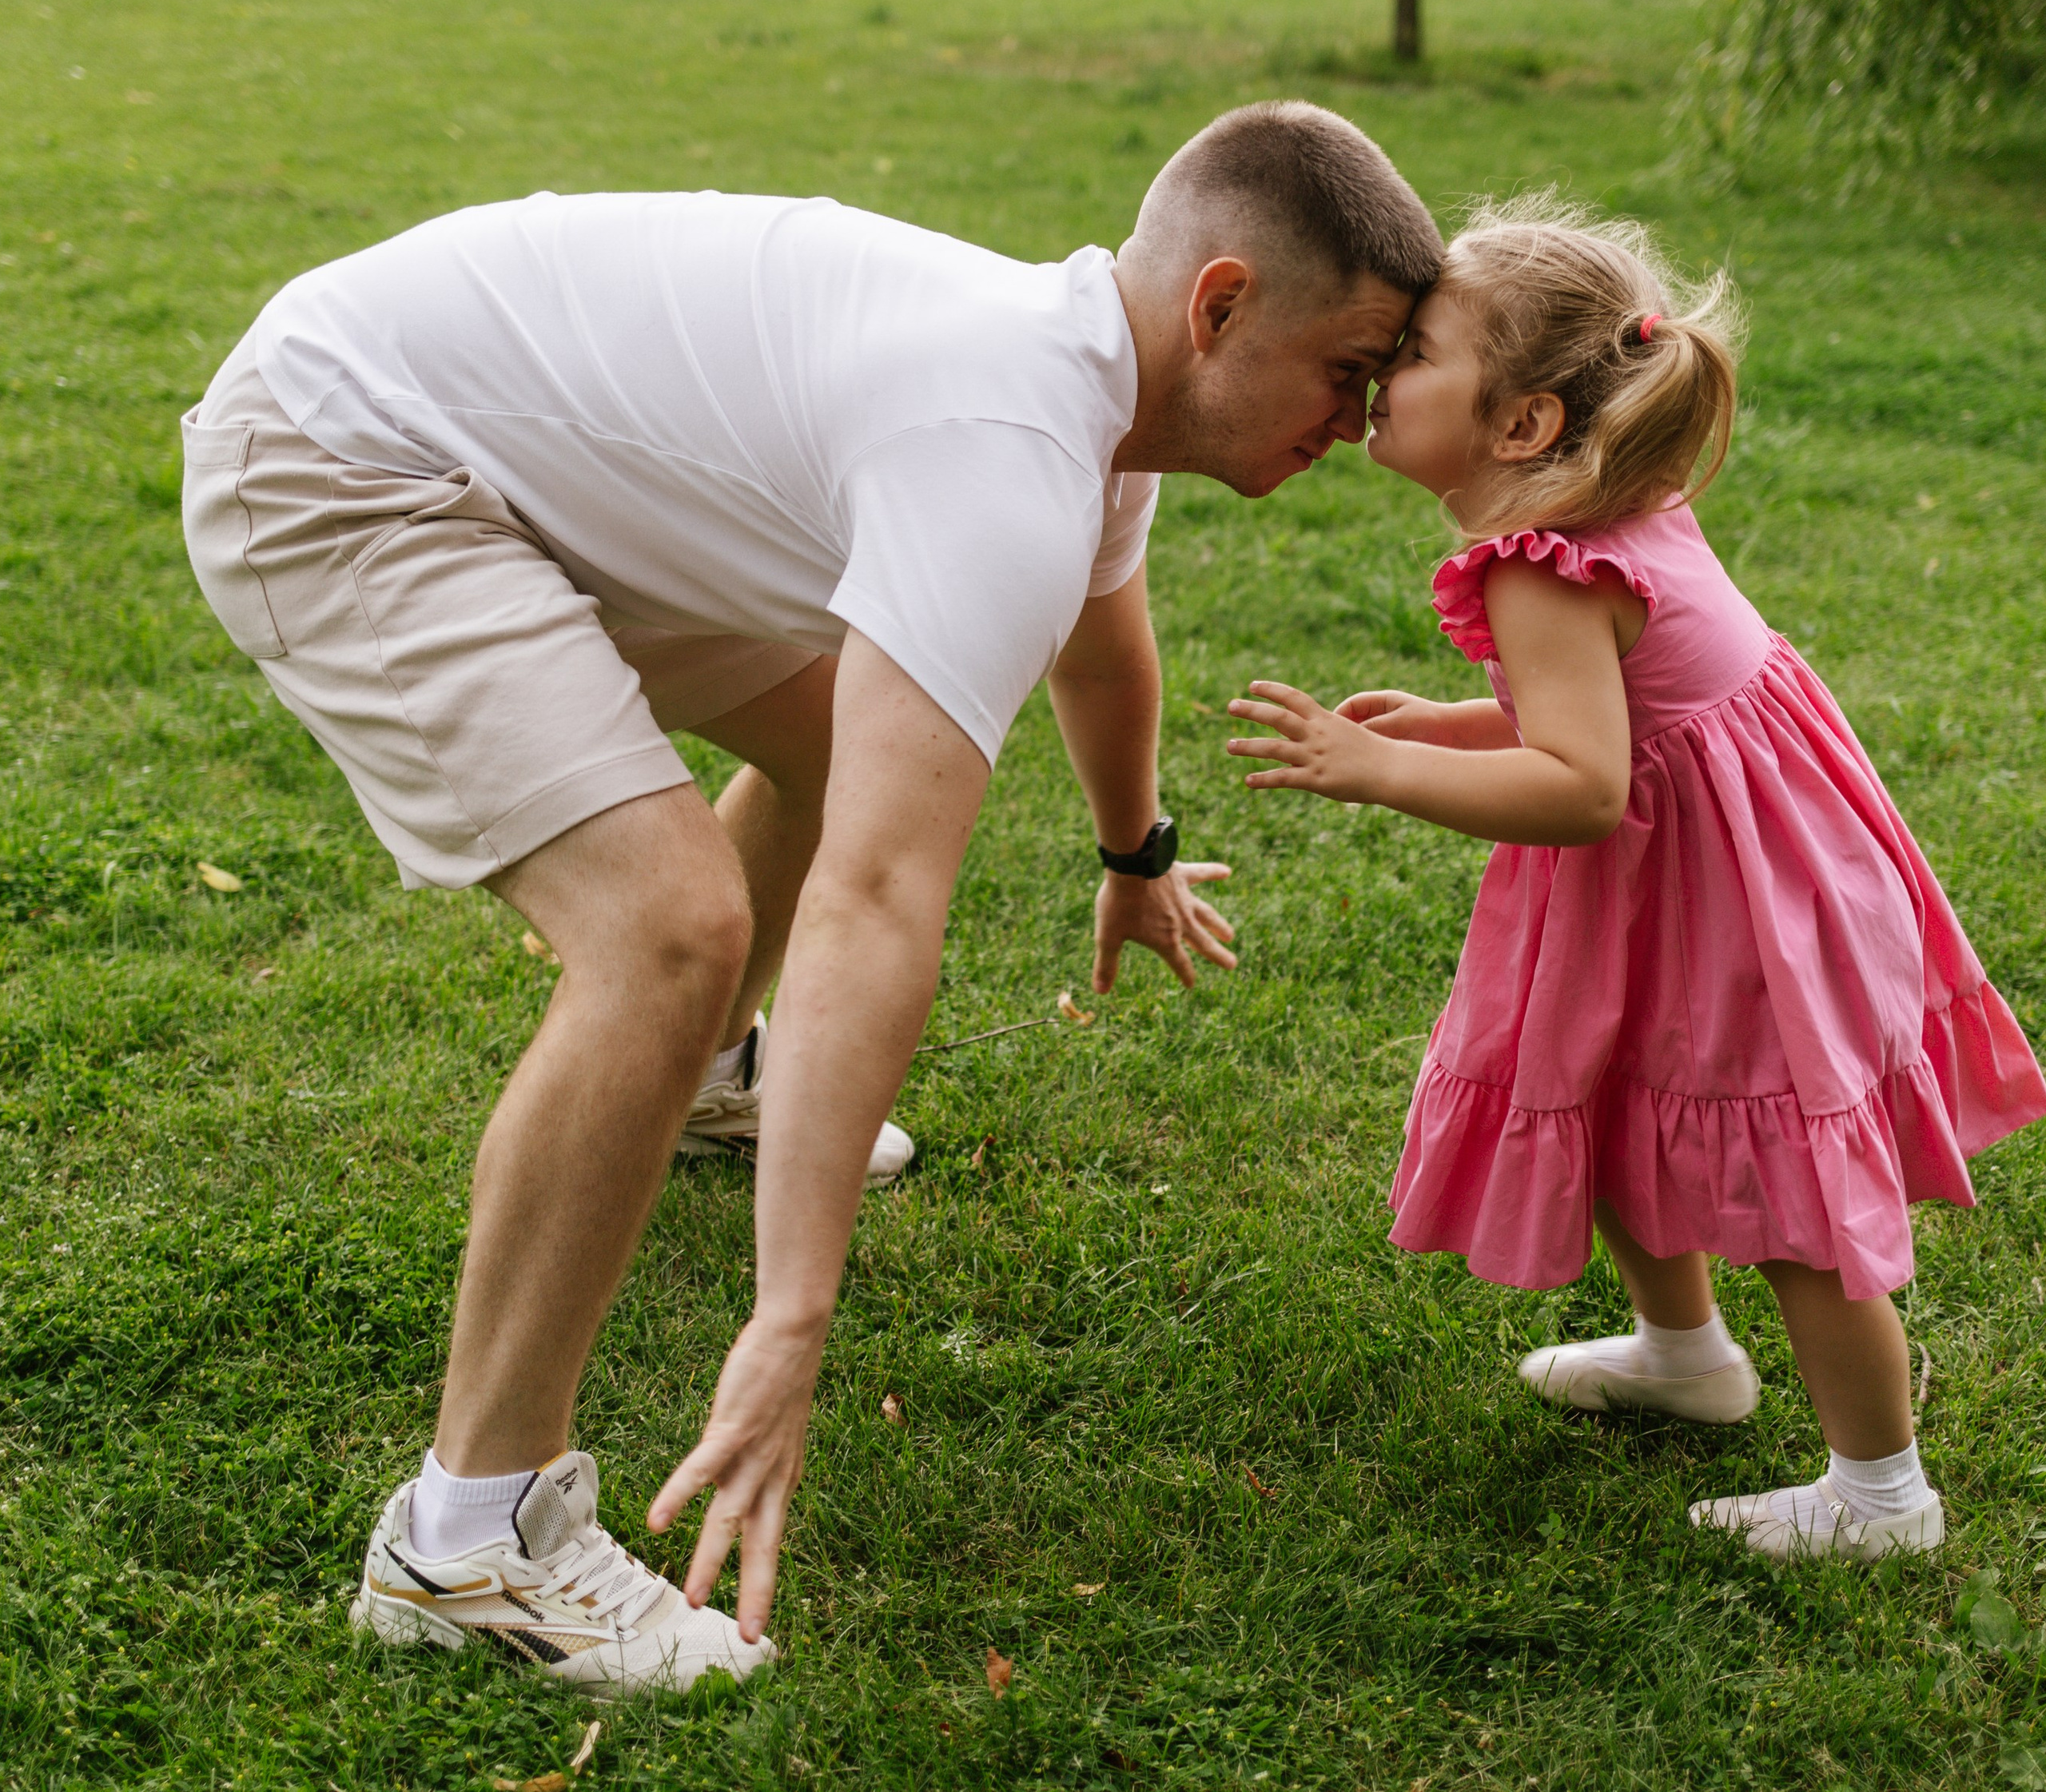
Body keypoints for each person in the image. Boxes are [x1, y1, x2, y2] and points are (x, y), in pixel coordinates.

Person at [180, 102, 1443, 1694]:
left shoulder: (1093, 394)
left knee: (828, 742)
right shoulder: (1004, 444)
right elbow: (874, 898)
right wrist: (792, 1312)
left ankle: (704, 1077)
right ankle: (466, 1540)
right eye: (1347, 368)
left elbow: (1099, 642)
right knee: (667, 922)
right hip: (341, 456)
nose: (1361, 416)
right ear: (1219, 306)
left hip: (482, 450)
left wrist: (1133, 853)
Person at [1225, 195, 2046, 1563]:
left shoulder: (1544, 570)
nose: (1378, 375)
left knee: (1787, 1205)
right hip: (1723, 875)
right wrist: (1448, 724)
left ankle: (1883, 1497)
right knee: (1607, 1097)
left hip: (1725, 914)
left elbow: (1583, 785)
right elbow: (1611, 720)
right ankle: (1686, 1356)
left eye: (1415, 352)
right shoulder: (1612, 508)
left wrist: (1381, 774)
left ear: (1524, 424)